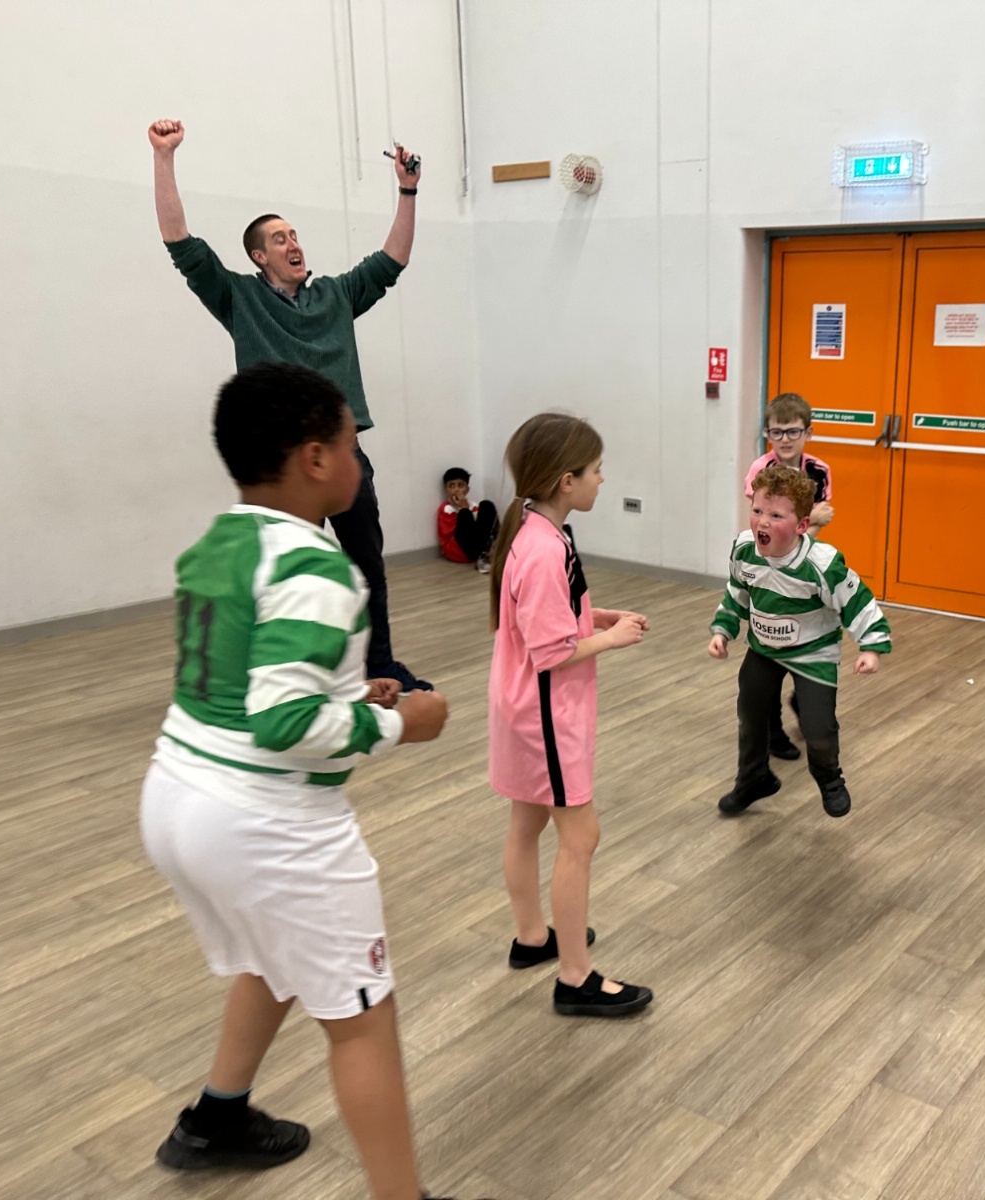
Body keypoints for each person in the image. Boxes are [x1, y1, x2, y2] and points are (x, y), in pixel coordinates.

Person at [140, 363, 467, 1200]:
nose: (361, 460)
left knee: (271, 955)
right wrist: (402, 722)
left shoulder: (220, 541)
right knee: (362, 1020)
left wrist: (349, 694)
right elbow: (282, 722)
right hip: (266, 822)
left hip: (176, 793)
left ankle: (216, 1118)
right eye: (353, 444)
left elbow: (249, 677)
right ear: (315, 458)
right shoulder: (318, 568)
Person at [148, 118, 431, 693]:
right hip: (281, 465)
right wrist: (164, 157)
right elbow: (180, 244)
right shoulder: (238, 298)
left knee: (366, 566)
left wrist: (407, 191)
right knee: (286, 573)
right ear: (259, 256)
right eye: (279, 239)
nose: (293, 243)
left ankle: (378, 664)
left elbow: (392, 261)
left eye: (294, 234)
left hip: (344, 456)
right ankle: (283, 674)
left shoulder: (336, 295)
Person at [487, 413, 654, 1017]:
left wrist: (595, 617)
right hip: (544, 719)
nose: (602, 480)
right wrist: (610, 639)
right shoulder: (540, 549)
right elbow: (551, 651)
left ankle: (533, 937)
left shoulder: (541, 530)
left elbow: (548, 617)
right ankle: (575, 978)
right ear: (566, 481)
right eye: (596, 470)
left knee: (526, 821)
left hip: (524, 707)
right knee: (581, 836)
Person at [708, 464, 891, 819]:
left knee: (818, 727)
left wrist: (871, 646)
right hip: (763, 649)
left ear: (802, 525)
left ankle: (829, 778)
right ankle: (753, 779)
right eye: (757, 510)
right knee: (750, 715)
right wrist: (723, 629)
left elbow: (858, 602)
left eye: (776, 515)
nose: (762, 522)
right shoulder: (744, 549)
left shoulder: (820, 564)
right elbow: (737, 592)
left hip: (813, 653)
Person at [744, 393, 836, 762]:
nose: (785, 439)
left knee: (811, 640)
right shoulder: (760, 470)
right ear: (767, 433)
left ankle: (805, 698)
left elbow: (816, 524)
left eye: (793, 431)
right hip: (768, 569)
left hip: (806, 568)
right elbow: (767, 526)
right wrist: (809, 522)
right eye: (777, 432)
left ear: (807, 433)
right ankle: (772, 731)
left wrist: (804, 531)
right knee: (767, 654)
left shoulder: (819, 470)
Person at [438, 467, 499, 570]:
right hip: (457, 550)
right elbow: (455, 534)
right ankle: (482, 556)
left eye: (460, 485)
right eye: (451, 486)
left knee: (486, 505)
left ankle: (484, 554)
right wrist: (463, 509)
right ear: (446, 490)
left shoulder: (474, 505)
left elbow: (480, 530)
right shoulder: (446, 509)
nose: (456, 490)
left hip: (476, 546)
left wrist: (466, 509)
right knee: (464, 516)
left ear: (467, 489)